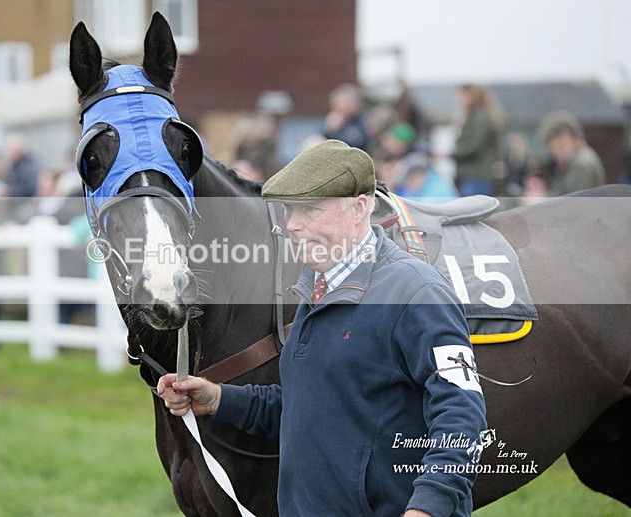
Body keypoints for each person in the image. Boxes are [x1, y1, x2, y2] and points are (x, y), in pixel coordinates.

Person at [158, 140, 488, 517]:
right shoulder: (315, 290)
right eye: (289, 211)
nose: (293, 226)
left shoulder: (418, 292)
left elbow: (463, 417)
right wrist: (217, 398)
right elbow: (305, 405)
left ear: (360, 208)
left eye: (310, 210)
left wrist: (429, 507)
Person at [451, 84, 503, 196]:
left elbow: (474, 147)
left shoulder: (480, 118)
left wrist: (452, 154)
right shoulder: (476, 116)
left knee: (473, 210)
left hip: (476, 176)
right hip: (473, 175)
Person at [538, 110, 605, 196]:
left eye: (553, 147)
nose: (553, 154)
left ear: (565, 138)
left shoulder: (582, 164)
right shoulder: (577, 161)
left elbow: (574, 204)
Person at [322, 82, 370, 151]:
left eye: (339, 103)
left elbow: (353, 144)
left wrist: (333, 130)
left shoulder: (361, 120)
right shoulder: (338, 119)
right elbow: (322, 135)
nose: (334, 107)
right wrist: (329, 130)